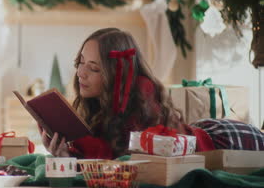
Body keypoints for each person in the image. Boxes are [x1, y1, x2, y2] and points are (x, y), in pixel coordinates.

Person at [40, 28, 264, 159]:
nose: (81, 73)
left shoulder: (139, 90)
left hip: (223, 141)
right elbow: (103, 155)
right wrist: (65, 152)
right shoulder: (97, 100)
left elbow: (125, 155)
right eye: (80, 62)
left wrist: (77, 142)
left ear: (117, 72)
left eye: (94, 68)